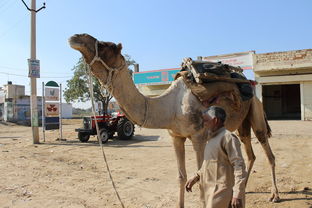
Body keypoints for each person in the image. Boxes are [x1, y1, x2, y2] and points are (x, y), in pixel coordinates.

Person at [185, 106, 247, 208]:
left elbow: (239, 166)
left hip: (223, 193)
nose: (204, 124)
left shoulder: (228, 138)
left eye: (206, 120)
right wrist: (196, 176)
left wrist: (237, 193)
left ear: (215, 120)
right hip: (209, 191)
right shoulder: (212, 138)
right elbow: (209, 163)